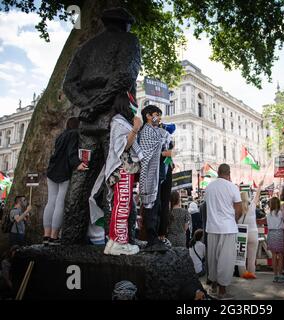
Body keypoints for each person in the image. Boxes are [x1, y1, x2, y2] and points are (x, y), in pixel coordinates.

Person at [61, 8, 141, 245]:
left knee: (81, 179)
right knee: (118, 178)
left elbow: (69, 85)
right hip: (114, 119)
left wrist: (88, 105)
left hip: (87, 122)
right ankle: (122, 237)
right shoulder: (129, 41)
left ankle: (71, 236)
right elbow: (126, 75)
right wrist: (97, 104)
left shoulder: (85, 48)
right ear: (125, 25)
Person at [103, 92, 143, 255]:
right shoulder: (119, 122)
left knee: (120, 204)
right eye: (132, 104)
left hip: (122, 168)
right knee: (123, 204)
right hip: (123, 168)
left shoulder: (117, 121)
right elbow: (124, 146)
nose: (134, 107)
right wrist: (135, 128)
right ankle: (120, 242)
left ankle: (113, 241)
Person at [43, 117, 87, 246]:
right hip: (63, 172)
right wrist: (77, 164)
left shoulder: (61, 135)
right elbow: (71, 152)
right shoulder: (74, 134)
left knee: (51, 201)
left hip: (52, 170)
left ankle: (46, 235)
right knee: (59, 202)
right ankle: (54, 236)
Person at [205, 164, 242, 300]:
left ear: (218, 172)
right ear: (229, 173)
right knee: (225, 260)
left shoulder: (209, 187)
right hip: (228, 228)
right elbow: (239, 209)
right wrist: (234, 220)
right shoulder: (232, 187)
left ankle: (213, 286)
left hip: (212, 227)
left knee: (213, 258)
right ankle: (222, 291)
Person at [139, 105, 172, 251]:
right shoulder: (146, 131)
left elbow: (166, 141)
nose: (158, 118)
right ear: (148, 115)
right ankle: (151, 239)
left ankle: (155, 238)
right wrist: (165, 153)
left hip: (158, 174)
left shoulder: (157, 131)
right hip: (149, 175)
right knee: (151, 206)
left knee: (157, 205)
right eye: (156, 114)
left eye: (159, 115)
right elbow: (146, 153)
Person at [238, 180, 263, 280]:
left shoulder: (237, 210)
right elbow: (257, 196)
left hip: (241, 233)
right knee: (252, 257)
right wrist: (260, 186)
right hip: (253, 233)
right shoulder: (252, 206)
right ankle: (251, 274)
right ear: (247, 197)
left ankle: (243, 274)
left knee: (241, 257)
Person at [267, 197, 284, 283]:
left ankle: (275, 275)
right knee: (281, 256)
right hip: (279, 233)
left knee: (274, 256)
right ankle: (280, 275)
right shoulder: (280, 213)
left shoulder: (268, 214)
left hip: (271, 233)